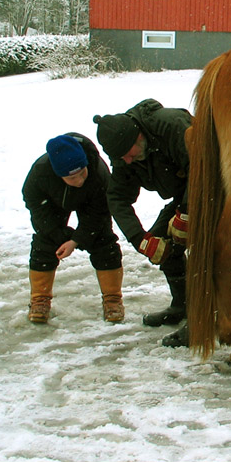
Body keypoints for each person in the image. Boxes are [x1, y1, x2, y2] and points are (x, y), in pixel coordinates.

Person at [92, 98, 192, 347]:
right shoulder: (124, 154)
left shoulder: (171, 126)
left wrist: (188, 213)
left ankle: (208, 317)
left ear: (138, 137)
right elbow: (117, 197)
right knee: (163, 243)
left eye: (128, 155)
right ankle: (184, 305)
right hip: (185, 195)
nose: (126, 162)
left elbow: (204, 166)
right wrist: (141, 239)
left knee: (206, 248)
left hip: (217, 184)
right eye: (120, 159)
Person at [22, 133, 124, 324]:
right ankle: (39, 299)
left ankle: (113, 299)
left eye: (82, 173)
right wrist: (58, 235)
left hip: (91, 202)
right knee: (45, 243)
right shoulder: (40, 174)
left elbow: (99, 215)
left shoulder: (98, 173)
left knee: (103, 241)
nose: (79, 181)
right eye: (72, 178)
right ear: (58, 175)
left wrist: (77, 240)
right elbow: (38, 210)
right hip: (53, 201)